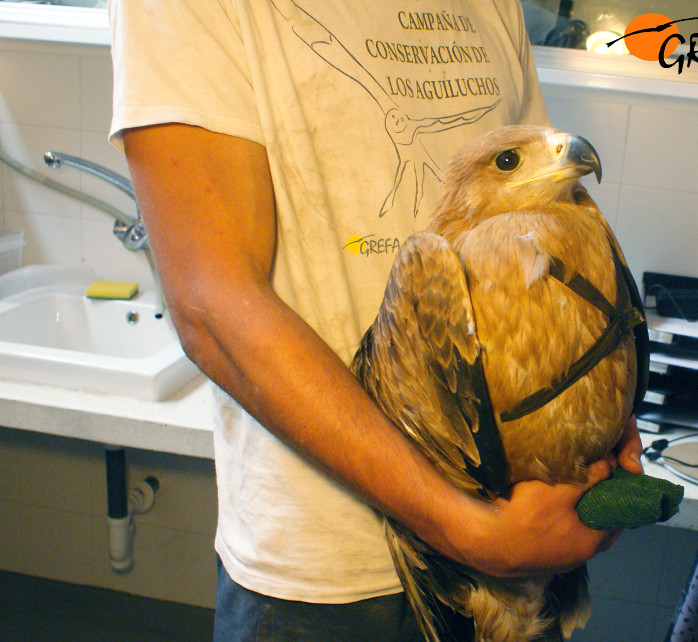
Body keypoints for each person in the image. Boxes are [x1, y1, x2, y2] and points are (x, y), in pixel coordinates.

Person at [108, 1, 644, 639]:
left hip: (527, 541)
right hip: (334, 578)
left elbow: (540, 222)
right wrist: (462, 527)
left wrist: (598, 419)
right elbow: (211, 303)